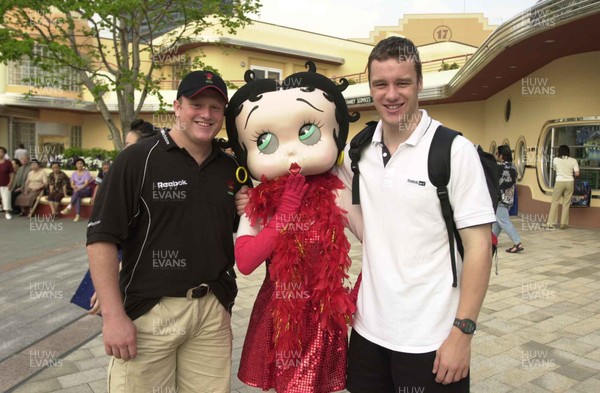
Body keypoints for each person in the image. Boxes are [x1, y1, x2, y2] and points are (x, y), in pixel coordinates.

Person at [335, 37, 496, 392]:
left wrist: (462, 333)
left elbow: (479, 247)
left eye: (402, 82)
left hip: (432, 339)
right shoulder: (358, 150)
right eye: (381, 84)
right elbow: (327, 187)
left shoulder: (453, 151)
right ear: (371, 87)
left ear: (420, 83)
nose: (391, 94)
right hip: (367, 333)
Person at [87, 70, 245, 393]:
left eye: (216, 107)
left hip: (211, 312)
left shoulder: (232, 170)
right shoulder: (137, 159)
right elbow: (101, 239)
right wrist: (113, 317)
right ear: (177, 106)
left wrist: (253, 206)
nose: (206, 114)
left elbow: (242, 235)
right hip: (148, 313)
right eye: (196, 104)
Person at [226, 63, 362, 392]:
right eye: (268, 140)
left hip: (323, 313)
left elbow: (376, 240)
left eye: (306, 132)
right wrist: (283, 216)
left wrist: (358, 294)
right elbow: (244, 263)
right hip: (279, 313)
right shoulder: (260, 201)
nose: (290, 151)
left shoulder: (337, 189)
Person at [493, 145, 524, 253]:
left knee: (504, 221)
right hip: (509, 199)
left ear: (501, 156)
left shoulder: (497, 167)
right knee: (499, 221)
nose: (496, 156)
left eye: (497, 154)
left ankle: (517, 243)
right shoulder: (514, 167)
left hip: (499, 198)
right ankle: (492, 241)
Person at [546, 144, 579, 229]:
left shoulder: (555, 160)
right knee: (566, 203)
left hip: (559, 181)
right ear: (568, 151)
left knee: (555, 202)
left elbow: (554, 169)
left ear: (559, 152)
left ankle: (551, 223)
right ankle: (563, 224)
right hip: (569, 182)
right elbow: (577, 173)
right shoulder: (573, 160)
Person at [61, 157, 93, 222]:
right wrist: (74, 187)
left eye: (81, 163)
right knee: (77, 198)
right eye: (78, 164)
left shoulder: (86, 173)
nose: (79, 165)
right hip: (77, 191)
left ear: (83, 165)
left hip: (86, 190)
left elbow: (86, 184)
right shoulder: (74, 174)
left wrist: (79, 188)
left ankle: (69, 207)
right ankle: (78, 215)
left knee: (76, 193)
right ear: (75, 165)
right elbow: (72, 184)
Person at [0, 147, 15, 219]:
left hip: (5, 183)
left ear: (4, 153)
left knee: (6, 198)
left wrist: (11, 182)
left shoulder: (8, 162)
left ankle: (7, 212)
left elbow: (11, 173)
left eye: (1, 152)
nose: (0, 153)